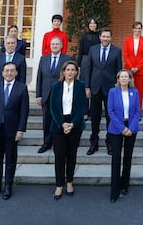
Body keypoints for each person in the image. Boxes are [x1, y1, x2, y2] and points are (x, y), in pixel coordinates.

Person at [0, 62, 29, 200]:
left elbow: (24, 111)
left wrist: (21, 129)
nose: (9, 73)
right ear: (2, 73)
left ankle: (8, 185)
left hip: (12, 130)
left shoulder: (21, 88)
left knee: (10, 159)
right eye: (6, 70)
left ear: (16, 73)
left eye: (12, 71)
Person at [50, 60, 87, 200]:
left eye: (73, 70)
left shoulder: (80, 86)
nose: (70, 72)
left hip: (75, 124)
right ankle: (59, 184)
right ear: (63, 71)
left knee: (71, 155)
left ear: (76, 72)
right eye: (68, 69)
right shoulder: (56, 86)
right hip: (58, 123)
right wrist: (62, 124)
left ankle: (69, 182)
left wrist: (72, 124)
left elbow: (82, 106)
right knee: (59, 156)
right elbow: (53, 107)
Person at [0, 35, 27, 154]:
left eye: (13, 43)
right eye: (8, 43)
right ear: (4, 44)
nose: (10, 45)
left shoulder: (21, 58)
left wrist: (20, 92)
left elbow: (22, 77)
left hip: (14, 94)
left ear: (16, 45)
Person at [84, 28, 122, 155]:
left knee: (110, 117)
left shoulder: (117, 51)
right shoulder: (93, 50)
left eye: (108, 37)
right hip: (95, 88)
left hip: (111, 89)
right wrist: (87, 87)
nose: (105, 39)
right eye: (103, 36)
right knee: (94, 117)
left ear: (111, 38)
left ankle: (110, 143)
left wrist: (118, 89)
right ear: (100, 37)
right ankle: (93, 143)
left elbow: (119, 71)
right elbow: (88, 69)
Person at [107, 70, 141, 203]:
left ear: (129, 79)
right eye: (121, 76)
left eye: (126, 76)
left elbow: (138, 111)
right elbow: (110, 111)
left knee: (127, 158)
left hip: (131, 128)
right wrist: (122, 128)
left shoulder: (135, 92)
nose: (124, 79)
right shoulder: (113, 92)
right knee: (116, 159)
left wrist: (131, 128)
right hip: (116, 128)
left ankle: (124, 185)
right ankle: (114, 191)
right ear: (118, 79)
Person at [36, 37, 72, 153]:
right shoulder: (44, 59)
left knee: (59, 119)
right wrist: (38, 95)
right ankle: (46, 143)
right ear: (50, 46)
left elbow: (71, 77)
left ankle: (59, 143)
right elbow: (39, 78)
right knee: (46, 120)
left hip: (61, 95)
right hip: (46, 94)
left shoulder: (67, 59)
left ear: (61, 46)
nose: (55, 46)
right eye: (53, 44)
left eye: (57, 44)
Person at [77, 17, 100, 119]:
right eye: (90, 23)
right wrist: (79, 65)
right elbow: (80, 51)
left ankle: (93, 111)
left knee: (94, 85)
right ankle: (85, 111)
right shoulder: (84, 36)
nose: (92, 25)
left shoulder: (100, 36)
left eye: (94, 23)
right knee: (84, 85)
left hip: (96, 61)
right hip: (85, 60)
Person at [123, 21, 143, 107]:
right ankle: (128, 111)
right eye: (136, 28)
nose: (137, 30)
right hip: (129, 70)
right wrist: (131, 67)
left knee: (139, 92)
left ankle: (138, 112)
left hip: (141, 71)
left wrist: (137, 67)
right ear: (132, 29)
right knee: (128, 91)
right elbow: (125, 55)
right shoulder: (127, 40)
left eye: (139, 28)